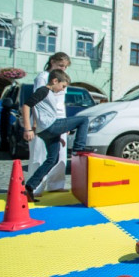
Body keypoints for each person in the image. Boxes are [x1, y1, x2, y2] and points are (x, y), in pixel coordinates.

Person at [22, 70, 93, 202]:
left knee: (52, 160)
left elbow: (39, 110)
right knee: (83, 120)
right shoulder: (43, 90)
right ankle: (79, 149)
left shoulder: (49, 94)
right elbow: (26, 106)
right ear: (55, 81)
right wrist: (27, 128)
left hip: (47, 131)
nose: (62, 90)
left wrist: (58, 133)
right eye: (63, 86)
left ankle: (30, 187)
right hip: (50, 126)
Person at [28, 52, 71, 196]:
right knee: (40, 154)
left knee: (60, 154)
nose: (63, 69)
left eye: (65, 67)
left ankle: (56, 184)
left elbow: (61, 104)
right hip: (44, 120)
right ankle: (35, 187)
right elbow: (36, 101)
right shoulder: (43, 77)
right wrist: (34, 124)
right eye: (60, 65)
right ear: (52, 62)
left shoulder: (62, 79)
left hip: (59, 119)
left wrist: (66, 124)